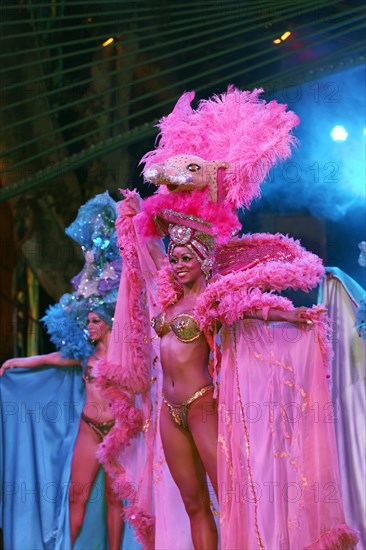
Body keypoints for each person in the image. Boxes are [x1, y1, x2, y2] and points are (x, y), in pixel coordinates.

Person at [96, 88, 359, 549]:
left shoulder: (215, 300)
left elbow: (256, 305)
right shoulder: (166, 297)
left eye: (184, 256)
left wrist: (296, 314)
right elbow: (143, 247)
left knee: (231, 498)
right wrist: (134, 216)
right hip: (168, 412)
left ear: (202, 257)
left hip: (201, 403)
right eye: (173, 255)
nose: (176, 262)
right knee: (193, 503)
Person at [0, 192, 128, 550]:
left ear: (106, 324)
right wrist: (16, 362)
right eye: (86, 321)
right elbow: (51, 359)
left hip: (119, 431)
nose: (88, 327)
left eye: (93, 321)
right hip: (90, 429)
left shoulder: (124, 356)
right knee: (78, 496)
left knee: (118, 502)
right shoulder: (84, 357)